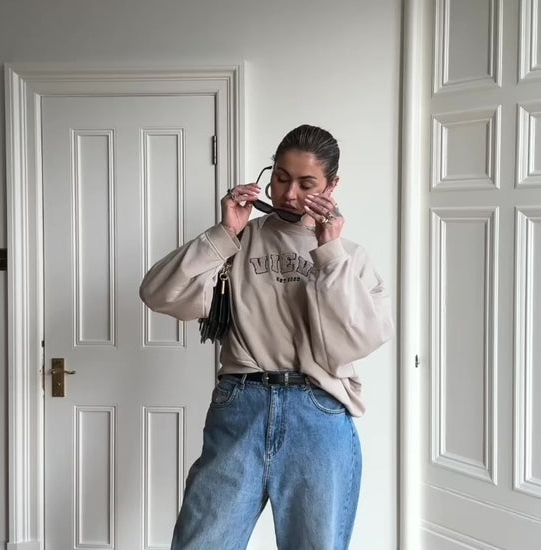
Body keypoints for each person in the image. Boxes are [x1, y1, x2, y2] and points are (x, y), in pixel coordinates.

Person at [139, 124, 393, 550]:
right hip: (241, 405)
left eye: (306, 184)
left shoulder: (349, 257)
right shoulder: (237, 241)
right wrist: (224, 234)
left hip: (318, 415)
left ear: (332, 185)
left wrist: (329, 252)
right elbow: (158, 293)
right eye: (280, 178)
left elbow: (355, 342)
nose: (288, 194)